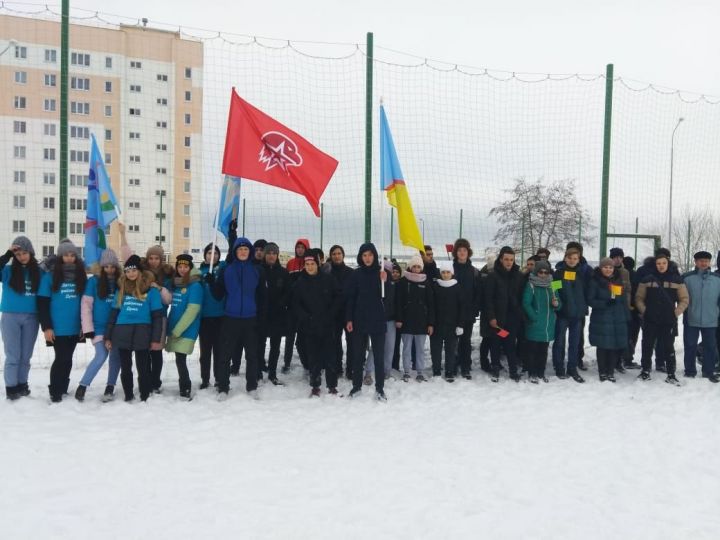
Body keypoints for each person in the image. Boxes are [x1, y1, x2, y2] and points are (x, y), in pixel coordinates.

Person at [210, 237, 268, 399]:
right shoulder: (226, 270)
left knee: (252, 355)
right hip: (231, 318)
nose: (243, 252)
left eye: (246, 249)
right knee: (225, 354)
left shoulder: (257, 271)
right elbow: (218, 295)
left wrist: (260, 318)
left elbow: (263, 297)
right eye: (240, 249)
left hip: (251, 319)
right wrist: (211, 284)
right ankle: (223, 387)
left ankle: (252, 386)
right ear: (235, 252)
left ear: (249, 252)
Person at [104, 255, 164, 402]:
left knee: (143, 367)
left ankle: (144, 395)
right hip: (122, 332)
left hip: (142, 333)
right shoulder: (121, 290)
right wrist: (108, 336)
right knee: (125, 368)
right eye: (127, 271)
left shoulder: (151, 291)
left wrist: (156, 339)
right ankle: (128, 395)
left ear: (140, 271)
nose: (130, 273)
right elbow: (113, 314)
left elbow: (157, 317)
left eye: (133, 270)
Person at [38, 239, 86, 402]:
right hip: (57, 327)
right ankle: (55, 391)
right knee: (61, 358)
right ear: (60, 256)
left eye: (73, 255)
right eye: (66, 255)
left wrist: (83, 325)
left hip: (75, 326)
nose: (70, 258)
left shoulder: (81, 275)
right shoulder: (49, 276)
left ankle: (63, 387)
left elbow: (85, 303)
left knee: (68, 358)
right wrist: (47, 328)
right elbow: (42, 304)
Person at [292, 251, 342, 396]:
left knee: (331, 356)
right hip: (310, 326)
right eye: (307, 264)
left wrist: (330, 314)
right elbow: (295, 304)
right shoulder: (300, 283)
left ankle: (332, 386)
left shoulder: (328, 279)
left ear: (317, 264)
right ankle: (315, 385)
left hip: (327, 325)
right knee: (313, 357)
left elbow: (338, 298)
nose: (310, 267)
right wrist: (305, 317)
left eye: (312, 264)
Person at [76, 249, 122, 402]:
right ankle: (83, 385)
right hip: (99, 328)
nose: (110, 269)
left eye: (113, 266)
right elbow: (86, 306)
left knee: (115, 357)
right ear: (102, 267)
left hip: (117, 327)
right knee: (101, 355)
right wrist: (88, 328)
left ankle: (110, 386)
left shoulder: (120, 282)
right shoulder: (93, 282)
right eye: (106, 266)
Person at [635, 251, 688, 383]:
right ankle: (645, 371)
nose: (661, 265)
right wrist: (645, 311)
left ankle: (671, 373)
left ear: (668, 263)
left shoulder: (677, 279)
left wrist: (676, 312)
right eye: (658, 263)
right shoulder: (647, 279)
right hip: (650, 319)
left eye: (664, 263)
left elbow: (684, 299)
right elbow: (639, 298)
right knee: (647, 345)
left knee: (668, 347)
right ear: (655, 264)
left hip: (668, 319)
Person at [345, 243, 387, 400]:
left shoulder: (382, 273)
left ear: (375, 256)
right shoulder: (356, 275)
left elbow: (387, 297)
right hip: (359, 320)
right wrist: (349, 318)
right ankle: (356, 387)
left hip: (377, 320)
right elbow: (350, 298)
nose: (367, 258)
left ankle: (380, 389)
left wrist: (386, 281)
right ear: (360, 257)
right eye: (364, 255)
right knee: (358, 356)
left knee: (379, 357)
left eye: (370, 255)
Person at [1, 236, 41, 400]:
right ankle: (11, 387)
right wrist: (8, 253)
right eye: (18, 254)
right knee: (13, 355)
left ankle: (22, 384)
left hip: (32, 318)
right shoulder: (8, 271)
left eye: (25, 253)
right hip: (10, 317)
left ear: (30, 252)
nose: (22, 257)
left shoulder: (39, 271)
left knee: (26, 355)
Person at [484, 246, 526, 382]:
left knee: (510, 344)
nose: (509, 262)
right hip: (497, 319)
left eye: (511, 260)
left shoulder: (518, 276)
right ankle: (495, 368)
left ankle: (513, 371)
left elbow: (521, 297)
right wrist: (491, 317)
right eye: (506, 259)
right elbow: (488, 299)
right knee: (495, 344)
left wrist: (519, 314)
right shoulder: (493, 276)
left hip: (512, 318)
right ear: (501, 259)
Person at [165, 254, 203, 399]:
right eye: (179, 266)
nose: (182, 269)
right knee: (179, 359)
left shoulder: (195, 286)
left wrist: (177, 330)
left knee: (180, 359)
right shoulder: (176, 283)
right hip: (175, 327)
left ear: (191, 267)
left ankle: (185, 387)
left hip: (186, 329)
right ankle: (184, 386)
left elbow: (192, 311)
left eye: (186, 267)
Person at [588, 258, 631, 383]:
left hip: (617, 318)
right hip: (601, 318)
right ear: (601, 268)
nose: (608, 270)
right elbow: (590, 300)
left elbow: (623, 300)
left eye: (610, 267)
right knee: (602, 346)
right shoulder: (594, 281)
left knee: (614, 346)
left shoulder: (618, 281)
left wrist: (626, 315)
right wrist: (604, 303)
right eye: (605, 267)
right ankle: (602, 371)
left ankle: (610, 371)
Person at [681, 251, 720, 382]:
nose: (704, 263)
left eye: (706, 261)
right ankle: (690, 370)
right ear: (695, 262)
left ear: (710, 262)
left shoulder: (717, 279)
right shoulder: (686, 278)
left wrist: (717, 312)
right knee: (690, 345)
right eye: (701, 261)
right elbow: (680, 297)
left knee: (710, 346)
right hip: (691, 318)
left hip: (711, 319)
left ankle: (708, 371)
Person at [396, 254, 435, 382]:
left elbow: (430, 305)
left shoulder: (426, 282)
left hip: (421, 323)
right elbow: (399, 303)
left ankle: (420, 371)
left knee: (420, 349)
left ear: (421, 268)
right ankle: (406, 371)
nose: (416, 269)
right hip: (406, 322)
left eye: (419, 266)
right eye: (414, 266)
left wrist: (430, 323)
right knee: (406, 348)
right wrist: (399, 319)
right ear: (410, 267)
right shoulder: (403, 282)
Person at [552, 247, 588, 382]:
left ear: (578, 259)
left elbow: (585, 292)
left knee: (575, 343)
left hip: (577, 315)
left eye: (575, 258)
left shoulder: (582, 274)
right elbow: (555, 291)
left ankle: (572, 368)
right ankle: (559, 367)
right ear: (565, 258)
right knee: (560, 342)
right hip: (562, 314)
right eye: (570, 258)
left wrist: (583, 308)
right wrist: (559, 306)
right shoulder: (558, 274)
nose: (572, 261)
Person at [521, 260, 560, 383]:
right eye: (540, 272)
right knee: (532, 350)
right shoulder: (530, 284)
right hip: (535, 323)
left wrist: (556, 304)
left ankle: (540, 372)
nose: (543, 274)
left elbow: (559, 303)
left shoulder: (554, 284)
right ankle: (532, 372)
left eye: (545, 272)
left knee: (543, 350)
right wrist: (534, 317)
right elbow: (526, 303)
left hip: (548, 324)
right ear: (536, 272)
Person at [141, 245, 173, 393]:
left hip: (160, 317)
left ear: (161, 260)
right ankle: (146, 380)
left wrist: (159, 288)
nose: (154, 261)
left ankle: (155, 383)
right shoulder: (141, 273)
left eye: (157, 258)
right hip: (143, 318)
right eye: (151, 258)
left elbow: (168, 300)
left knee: (156, 351)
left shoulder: (167, 275)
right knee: (144, 351)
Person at [364, 259, 398, 384]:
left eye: (389, 271)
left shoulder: (393, 284)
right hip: (377, 319)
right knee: (376, 347)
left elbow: (396, 302)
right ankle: (368, 371)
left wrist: (398, 317)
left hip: (390, 320)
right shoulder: (374, 282)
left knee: (389, 346)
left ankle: (386, 370)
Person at [452, 238, 481, 379]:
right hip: (452, 313)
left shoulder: (474, 272)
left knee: (465, 341)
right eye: (459, 250)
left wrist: (475, 309)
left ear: (468, 253)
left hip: (468, 313)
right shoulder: (450, 269)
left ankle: (465, 367)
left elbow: (478, 293)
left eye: (464, 250)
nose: (462, 253)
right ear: (456, 253)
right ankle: (452, 364)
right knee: (452, 341)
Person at [431, 260, 464, 381]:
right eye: (443, 272)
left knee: (450, 349)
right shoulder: (436, 286)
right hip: (437, 324)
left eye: (448, 272)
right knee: (436, 349)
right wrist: (431, 323)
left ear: (452, 273)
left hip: (452, 325)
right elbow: (431, 306)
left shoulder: (457, 287)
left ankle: (450, 371)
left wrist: (460, 324)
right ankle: (436, 370)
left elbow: (462, 307)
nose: (445, 274)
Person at [198, 243, 225, 389]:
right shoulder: (198, 271)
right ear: (205, 255)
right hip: (205, 317)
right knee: (205, 352)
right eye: (209, 253)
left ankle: (219, 379)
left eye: (215, 253)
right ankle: (205, 379)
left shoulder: (223, 268)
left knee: (219, 351)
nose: (212, 255)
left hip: (220, 316)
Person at [261, 242, 289, 385]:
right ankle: (258, 371)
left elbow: (288, 292)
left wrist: (282, 302)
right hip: (261, 315)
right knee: (259, 344)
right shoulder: (258, 270)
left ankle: (272, 373)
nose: (271, 255)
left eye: (274, 253)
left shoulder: (283, 273)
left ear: (277, 255)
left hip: (277, 315)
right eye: (269, 253)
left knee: (275, 346)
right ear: (265, 254)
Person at [283, 238, 310, 372]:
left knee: (304, 337)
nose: (300, 249)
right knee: (290, 335)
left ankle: (307, 362)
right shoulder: (290, 263)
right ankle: (287, 362)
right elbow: (286, 284)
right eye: (298, 247)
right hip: (292, 307)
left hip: (305, 307)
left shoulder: (309, 264)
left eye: (302, 247)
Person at [328, 244, 354, 378]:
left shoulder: (351, 272)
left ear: (343, 255)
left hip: (348, 313)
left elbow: (354, 293)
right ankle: (337, 367)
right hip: (333, 313)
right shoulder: (327, 272)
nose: (336, 256)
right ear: (330, 256)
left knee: (351, 342)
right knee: (335, 341)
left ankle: (351, 369)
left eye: (339, 253)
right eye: (334, 254)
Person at [622, 255, 642, 369]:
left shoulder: (619, 274)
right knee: (632, 335)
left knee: (623, 335)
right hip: (634, 311)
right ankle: (628, 358)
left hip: (622, 310)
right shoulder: (636, 275)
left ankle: (620, 358)